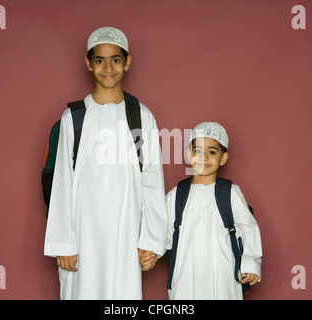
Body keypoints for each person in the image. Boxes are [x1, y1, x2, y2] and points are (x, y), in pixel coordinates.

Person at [44, 27, 167, 300]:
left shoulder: (141, 117)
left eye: (115, 59)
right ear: (89, 63)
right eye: (99, 60)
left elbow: (152, 179)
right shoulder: (73, 118)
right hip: (82, 235)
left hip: (127, 233)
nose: (108, 67)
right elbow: (62, 181)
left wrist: (152, 241)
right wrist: (63, 241)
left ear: (127, 62)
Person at [165, 122, 262, 300]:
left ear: (223, 158)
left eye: (212, 152)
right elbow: (162, 232)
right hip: (185, 276)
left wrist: (251, 264)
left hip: (222, 278)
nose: (204, 158)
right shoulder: (176, 195)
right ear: (189, 155)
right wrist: (149, 252)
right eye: (198, 151)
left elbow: (248, 229)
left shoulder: (230, 193)